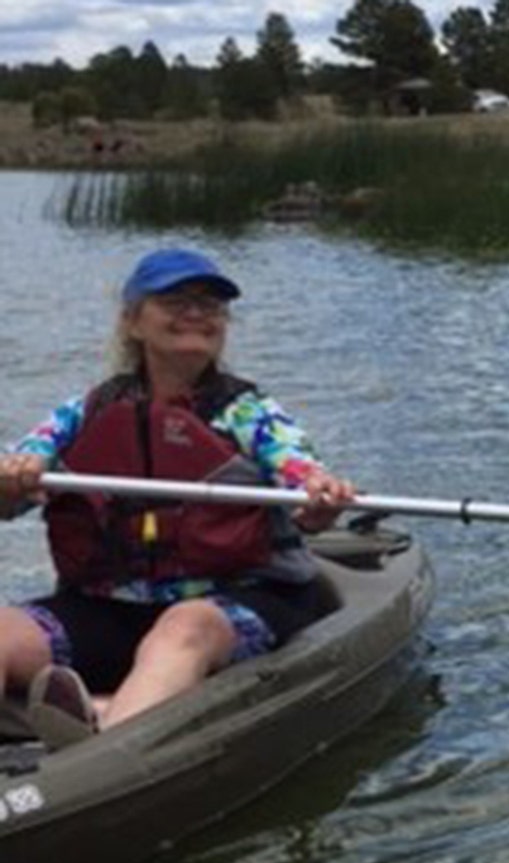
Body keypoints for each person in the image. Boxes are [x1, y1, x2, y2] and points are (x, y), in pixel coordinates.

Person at [0, 248, 355, 747]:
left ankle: (99, 745)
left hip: (234, 603)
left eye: (210, 305)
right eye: (175, 300)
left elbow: (300, 473)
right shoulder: (87, 412)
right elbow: (13, 490)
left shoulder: (250, 413)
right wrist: (12, 479)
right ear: (133, 322)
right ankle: (97, 711)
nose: (195, 313)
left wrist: (318, 493)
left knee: (182, 626)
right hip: (109, 606)